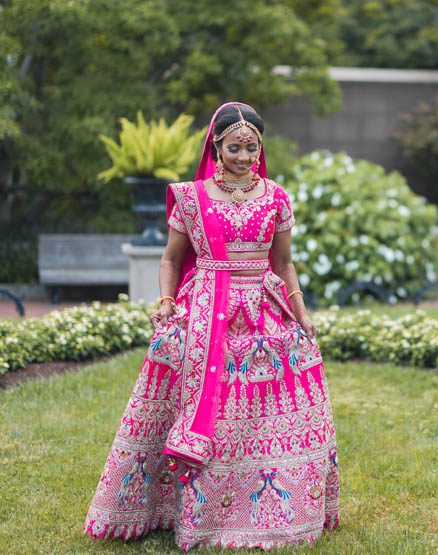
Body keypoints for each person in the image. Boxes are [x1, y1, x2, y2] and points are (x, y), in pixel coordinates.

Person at [84, 102, 339, 550]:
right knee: (193, 390)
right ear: (216, 146)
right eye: (235, 147)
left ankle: (274, 512)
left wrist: (300, 310)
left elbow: (283, 262)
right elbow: (170, 259)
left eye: (252, 148)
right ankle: (173, 507)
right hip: (204, 309)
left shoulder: (276, 196)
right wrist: (166, 302)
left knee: (276, 395)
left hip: (264, 306)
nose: (244, 156)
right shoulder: (191, 198)